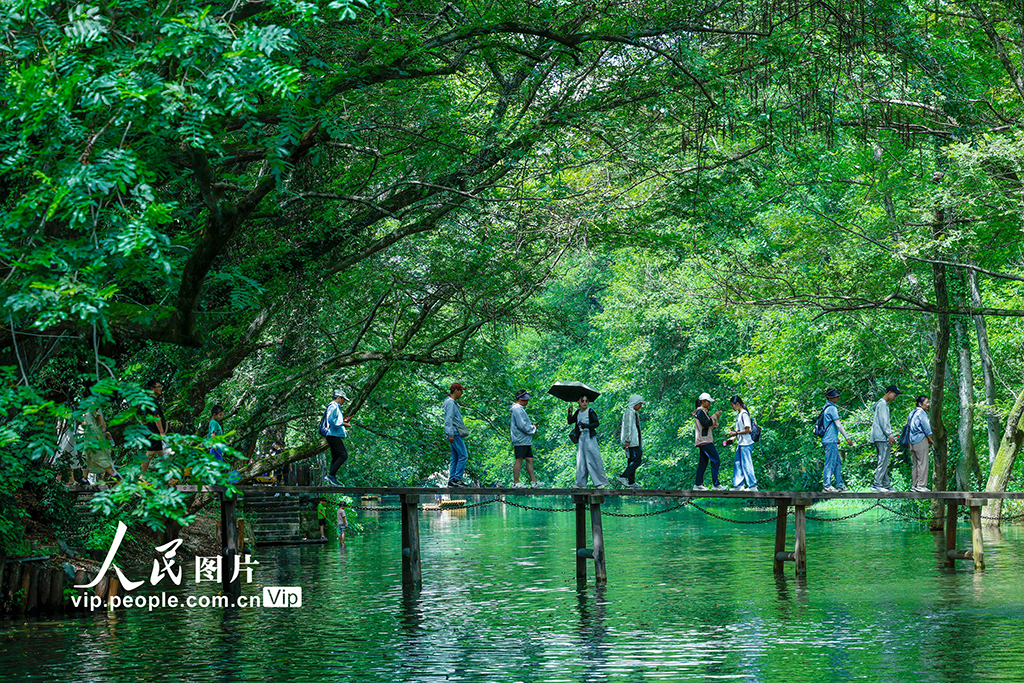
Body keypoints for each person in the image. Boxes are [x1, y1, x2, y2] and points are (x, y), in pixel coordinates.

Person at [81, 383, 118, 484]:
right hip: (92, 435)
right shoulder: (95, 403)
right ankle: (84, 478)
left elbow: (97, 419)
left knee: (95, 455)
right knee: (89, 455)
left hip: (92, 435)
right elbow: (98, 419)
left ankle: (114, 475)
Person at [569, 395, 608, 488]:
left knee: (593, 458)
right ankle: (580, 483)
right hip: (581, 437)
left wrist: (586, 425)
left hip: (590, 437)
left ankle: (601, 482)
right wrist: (570, 412)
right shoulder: (578, 412)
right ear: (578, 401)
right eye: (582, 401)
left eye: (586, 401)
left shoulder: (590, 411)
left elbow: (596, 423)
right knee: (581, 460)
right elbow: (570, 421)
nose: (584, 402)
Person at [819, 387, 853, 493]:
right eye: (835, 396)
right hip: (829, 441)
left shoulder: (826, 407)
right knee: (830, 462)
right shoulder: (832, 408)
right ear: (830, 397)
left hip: (830, 439)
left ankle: (839, 484)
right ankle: (827, 485)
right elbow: (838, 424)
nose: (838, 397)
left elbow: (829, 426)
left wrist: (836, 437)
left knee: (837, 462)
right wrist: (847, 438)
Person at [869, 385, 901, 493]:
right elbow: (884, 421)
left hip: (879, 436)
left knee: (884, 460)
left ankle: (886, 484)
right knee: (883, 460)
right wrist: (889, 435)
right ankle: (876, 484)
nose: (895, 398)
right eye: (894, 395)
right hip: (882, 436)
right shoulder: (882, 404)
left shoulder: (881, 404)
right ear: (889, 392)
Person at [723, 395, 757, 491]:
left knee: (747, 464)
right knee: (737, 463)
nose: (732, 407)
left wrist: (736, 433)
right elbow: (740, 430)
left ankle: (752, 486)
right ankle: (739, 485)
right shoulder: (739, 415)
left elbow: (748, 429)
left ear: (737, 404)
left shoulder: (744, 414)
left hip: (746, 443)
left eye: (732, 405)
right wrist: (733, 438)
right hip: (741, 443)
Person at [693, 392, 724, 491]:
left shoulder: (703, 412)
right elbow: (706, 423)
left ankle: (698, 484)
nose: (709, 404)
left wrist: (714, 420)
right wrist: (715, 416)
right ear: (703, 401)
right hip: (705, 440)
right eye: (708, 402)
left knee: (703, 462)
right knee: (716, 460)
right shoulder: (700, 411)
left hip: (704, 440)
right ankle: (715, 484)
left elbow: (707, 426)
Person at [510, 389, 540, 488]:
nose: (527, 401)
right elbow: (522, 425)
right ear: (520, 399)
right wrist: (533, 428)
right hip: (520, 440)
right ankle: (515, 482)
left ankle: (533, 481)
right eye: (525, 399)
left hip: (526, 440)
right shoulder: (517, 410)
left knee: (529, 459)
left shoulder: (521, 409)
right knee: (519, 459)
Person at [323, 389, 351, 487]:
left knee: (336, 456)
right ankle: (331, 476)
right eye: (343, 400)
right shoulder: (333, 406)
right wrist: (343, 423)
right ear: (339, 398)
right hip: (333, 435)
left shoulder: (335, 407)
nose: (343, 403)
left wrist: (343, 420)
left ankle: (332, 478)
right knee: (343, 455)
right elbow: (330, 420)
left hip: (333, 435)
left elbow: (334, 420)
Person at [443, 383, 470, 488]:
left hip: (454, 432)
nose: (462, 393)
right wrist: (450, 433)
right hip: (454, 433)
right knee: (463, 456)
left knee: (455, 457)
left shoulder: (452, 402)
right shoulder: (450, 403)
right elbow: (448, 419)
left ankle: (452, 480)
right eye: (461, 391)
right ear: (456, 391)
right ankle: (457, 479)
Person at [617, 394, 644, 489]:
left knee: (631, 461)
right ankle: (623, 476)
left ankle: (631, 482)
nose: (640, 406)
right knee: (637, 460)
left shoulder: (633, 412)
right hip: (632, 442)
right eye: (640, 404)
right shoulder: (629, 412)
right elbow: (628, 427)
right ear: (635, 403)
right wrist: (627, 440)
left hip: (634, 441)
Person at [908, 396, 933, 492]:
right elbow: (927, 428)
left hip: (911, 441)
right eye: (926, 402)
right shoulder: (921, 413)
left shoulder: (912, 413)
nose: (928, 404)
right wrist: (930, 439)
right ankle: (921, 485)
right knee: (923, 463)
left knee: (915, 464)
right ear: (920, 404)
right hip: (920, 440)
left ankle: (914, 485)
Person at [141, 379, 167, 474]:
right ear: (152, 389)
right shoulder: (151, 400)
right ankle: (141, 476)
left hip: (153, 432)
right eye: (158, 387)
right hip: (153, 432)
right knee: (150, 454)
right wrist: (161, 432)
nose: (160, 389)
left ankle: (169, 477)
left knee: (161, 454)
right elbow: (156, 417)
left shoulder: (150, 400)